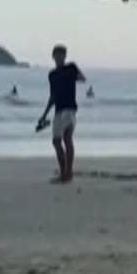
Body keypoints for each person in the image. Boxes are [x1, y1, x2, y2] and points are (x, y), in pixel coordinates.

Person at [37, 45, 85, 183]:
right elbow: (52, 96)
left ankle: (67, 173)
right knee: (59, 140)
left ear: (65, 56)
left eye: (61, 55)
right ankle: (65, 172)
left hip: (69, 108)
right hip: (59, 109)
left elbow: (82, 78)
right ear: (53, 57)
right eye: (57, 55)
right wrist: (45, 114)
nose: (59, 58)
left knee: (64, 138)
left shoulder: (71, 68)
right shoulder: (52, 74)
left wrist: (73, 77)